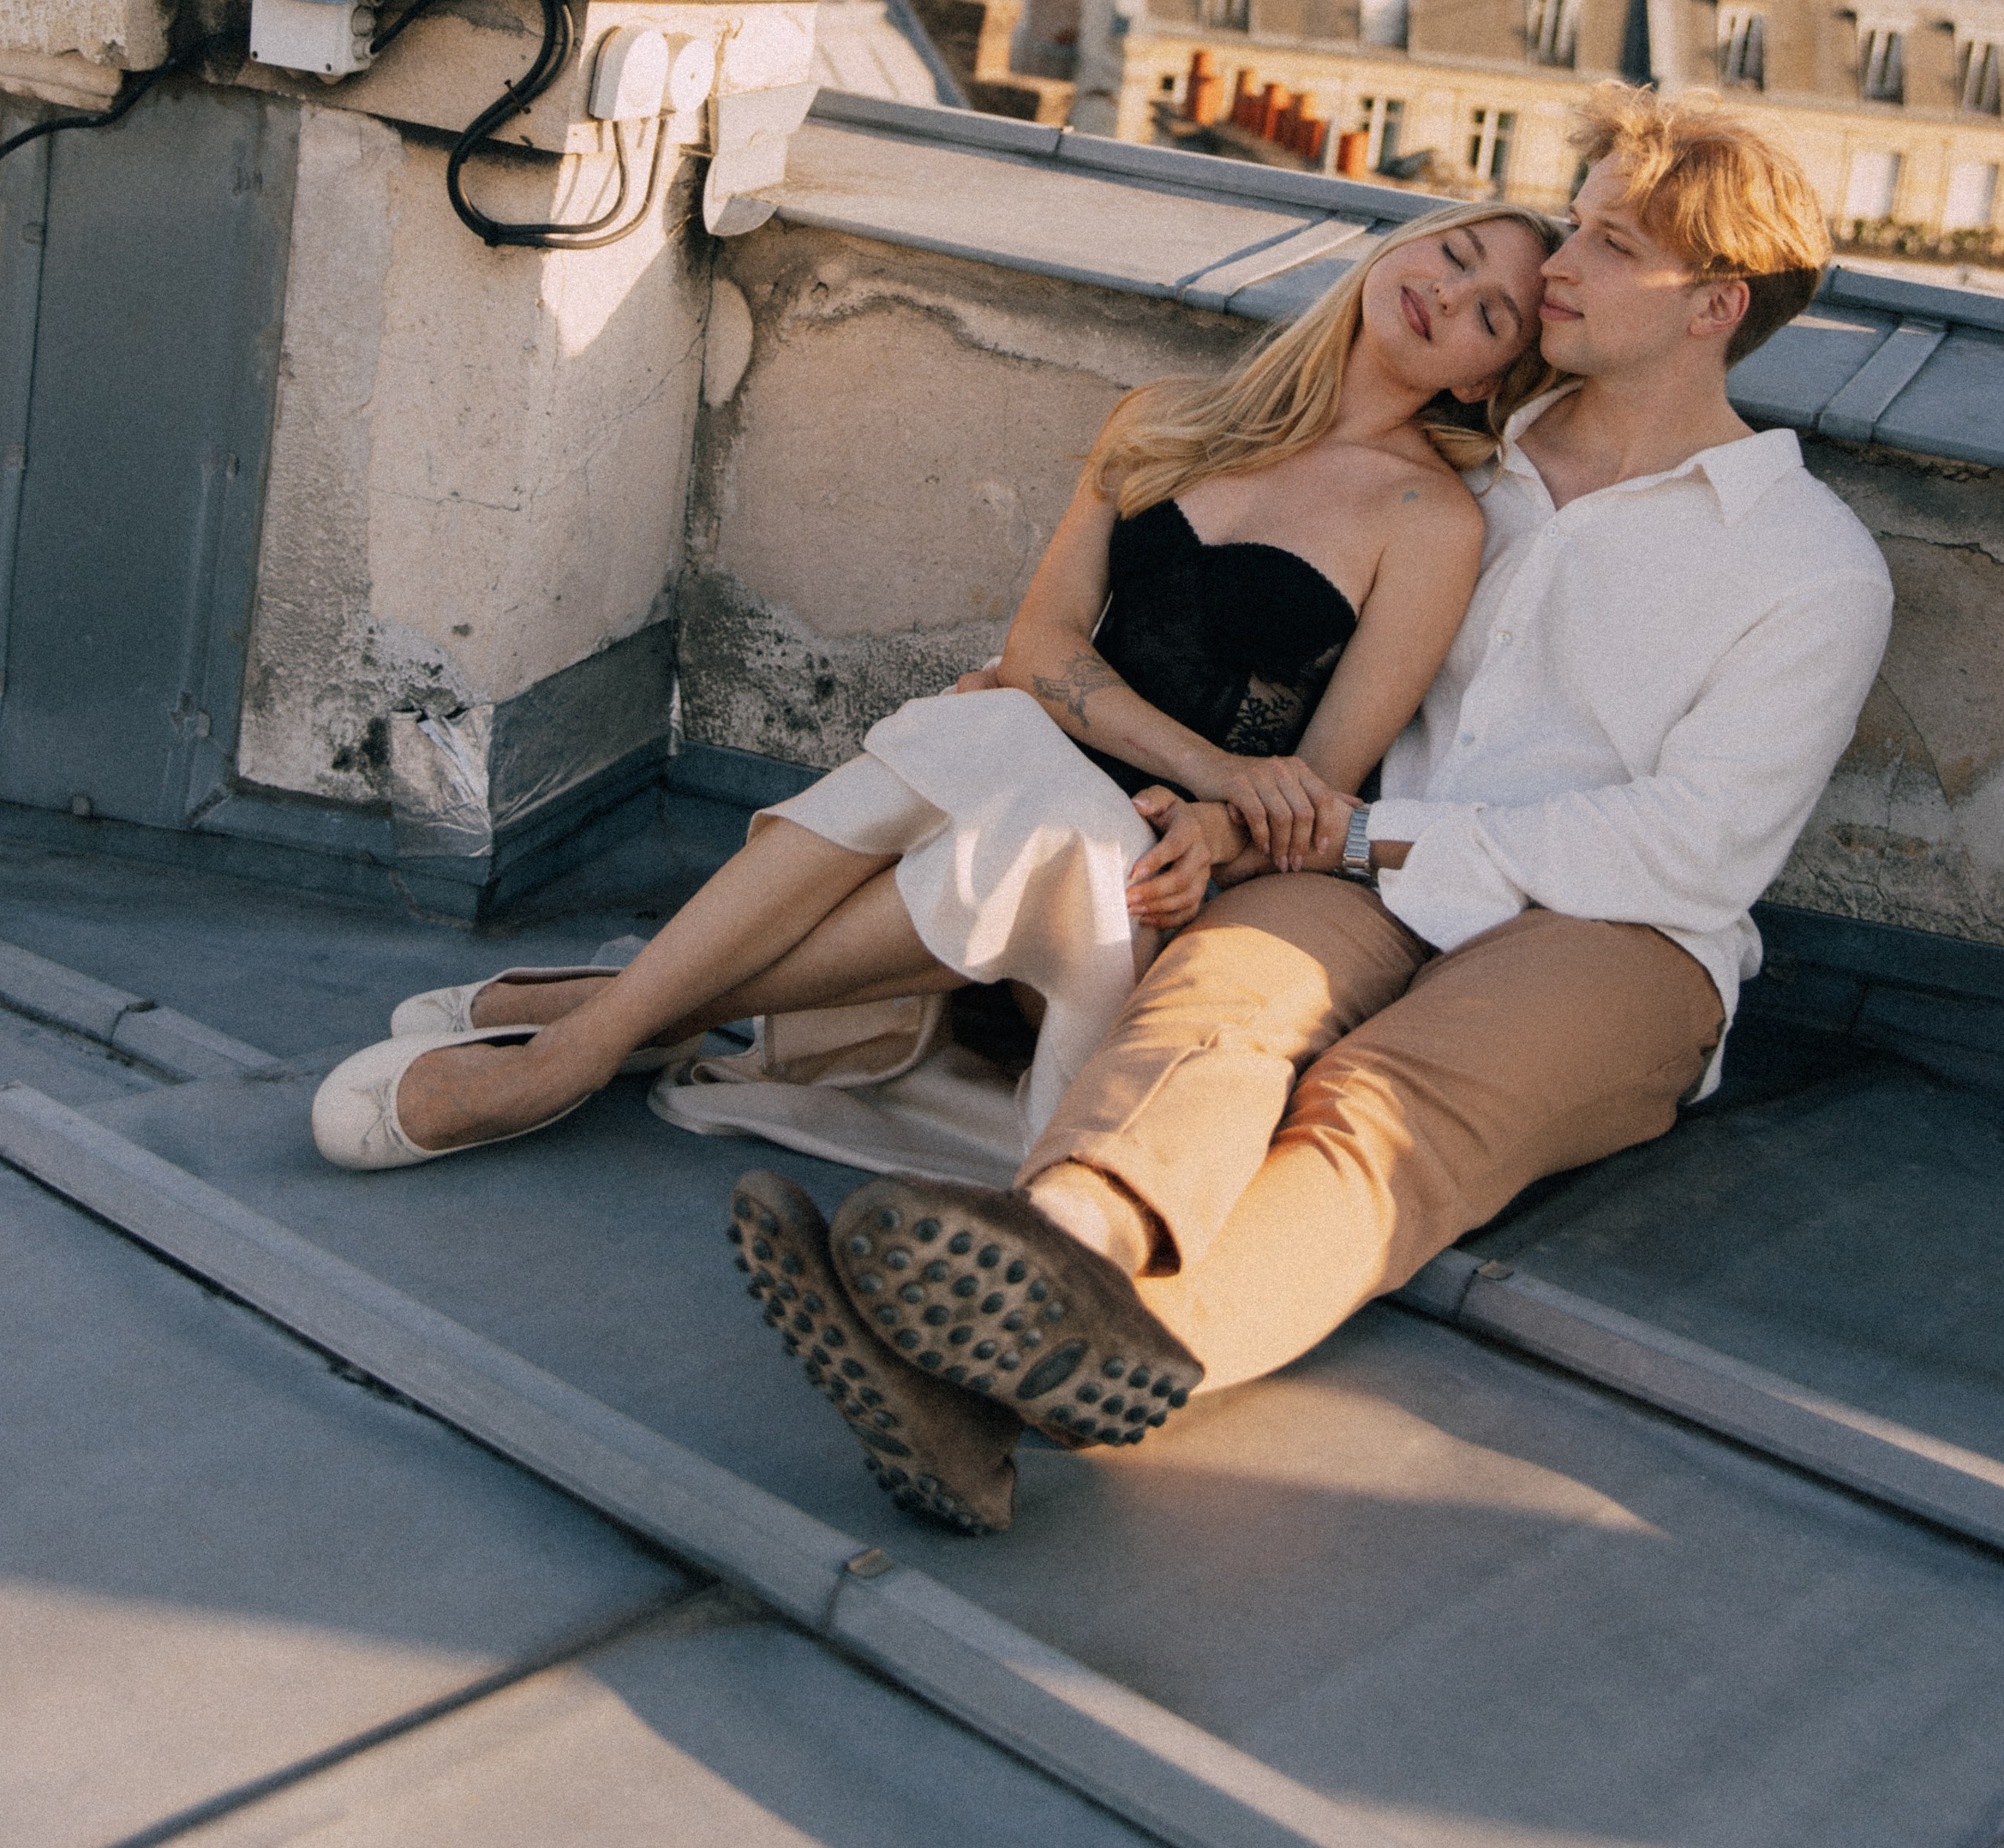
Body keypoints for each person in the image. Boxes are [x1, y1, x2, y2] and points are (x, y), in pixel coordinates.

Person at [728, 87, 1896, 1536]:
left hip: (1617, 933)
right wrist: (1167, 770)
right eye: (1574, 224)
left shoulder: (1808, 565)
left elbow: (1695, 845)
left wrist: (1353, 837)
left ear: (1714, 303)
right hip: (1357, 860)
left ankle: (1026, 1377)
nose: (1559, 268)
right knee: (1210, 1008)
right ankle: (1056, 1239)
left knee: (1383, 1115)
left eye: (1607, 241)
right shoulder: (1471, 454)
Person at [309, 196, 1558, 1187]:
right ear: (1404, 244)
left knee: (1008, 751)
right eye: (1452, 254)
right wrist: (1197, 758)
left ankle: (602, 1023)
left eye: (1491, 312)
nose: (1448, 292)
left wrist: (1219, 804)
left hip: (1148, 871)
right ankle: (613, 1030)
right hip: (1026, 768)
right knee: (1000, 731)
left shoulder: (1430, 518)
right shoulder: (1166, 418)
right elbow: (1042, 640)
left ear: (1481, 380)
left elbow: (1320, 780)